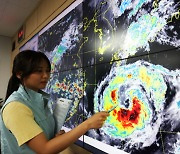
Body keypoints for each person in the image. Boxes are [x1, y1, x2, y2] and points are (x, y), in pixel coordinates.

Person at [0, 50, 109, 154]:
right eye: (39, 71)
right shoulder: (15, 107)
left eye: (47, 70)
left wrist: (54, 139)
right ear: (19, 74)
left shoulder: (38, 100)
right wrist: (88, 124)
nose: (45, 76)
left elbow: (41, 140)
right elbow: (44, 150)